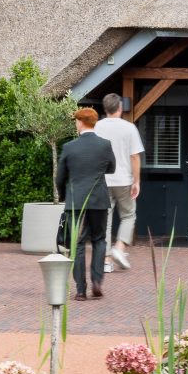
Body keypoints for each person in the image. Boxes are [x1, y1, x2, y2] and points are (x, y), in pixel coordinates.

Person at [55, 106, 116, 299]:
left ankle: (81, 290)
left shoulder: (69, 147)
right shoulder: (105, 145)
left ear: (80, 122)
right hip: (99, 200)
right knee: (99, 240)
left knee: (78, 244)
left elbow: (60, 177)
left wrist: (64, 196)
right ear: (94, 123)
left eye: (76, 121)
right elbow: (112, 168)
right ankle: (97, 281)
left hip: (76, 202)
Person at [94, 92, 144, 270]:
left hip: (102, 180)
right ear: (120, 108)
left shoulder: (97, 127)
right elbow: (135, 157)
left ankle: (106, 261)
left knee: (105, 219)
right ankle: (120, 247)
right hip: (123, 179)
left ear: (105, 108)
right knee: (129, 215)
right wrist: (136, 181)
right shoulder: (129, 128)